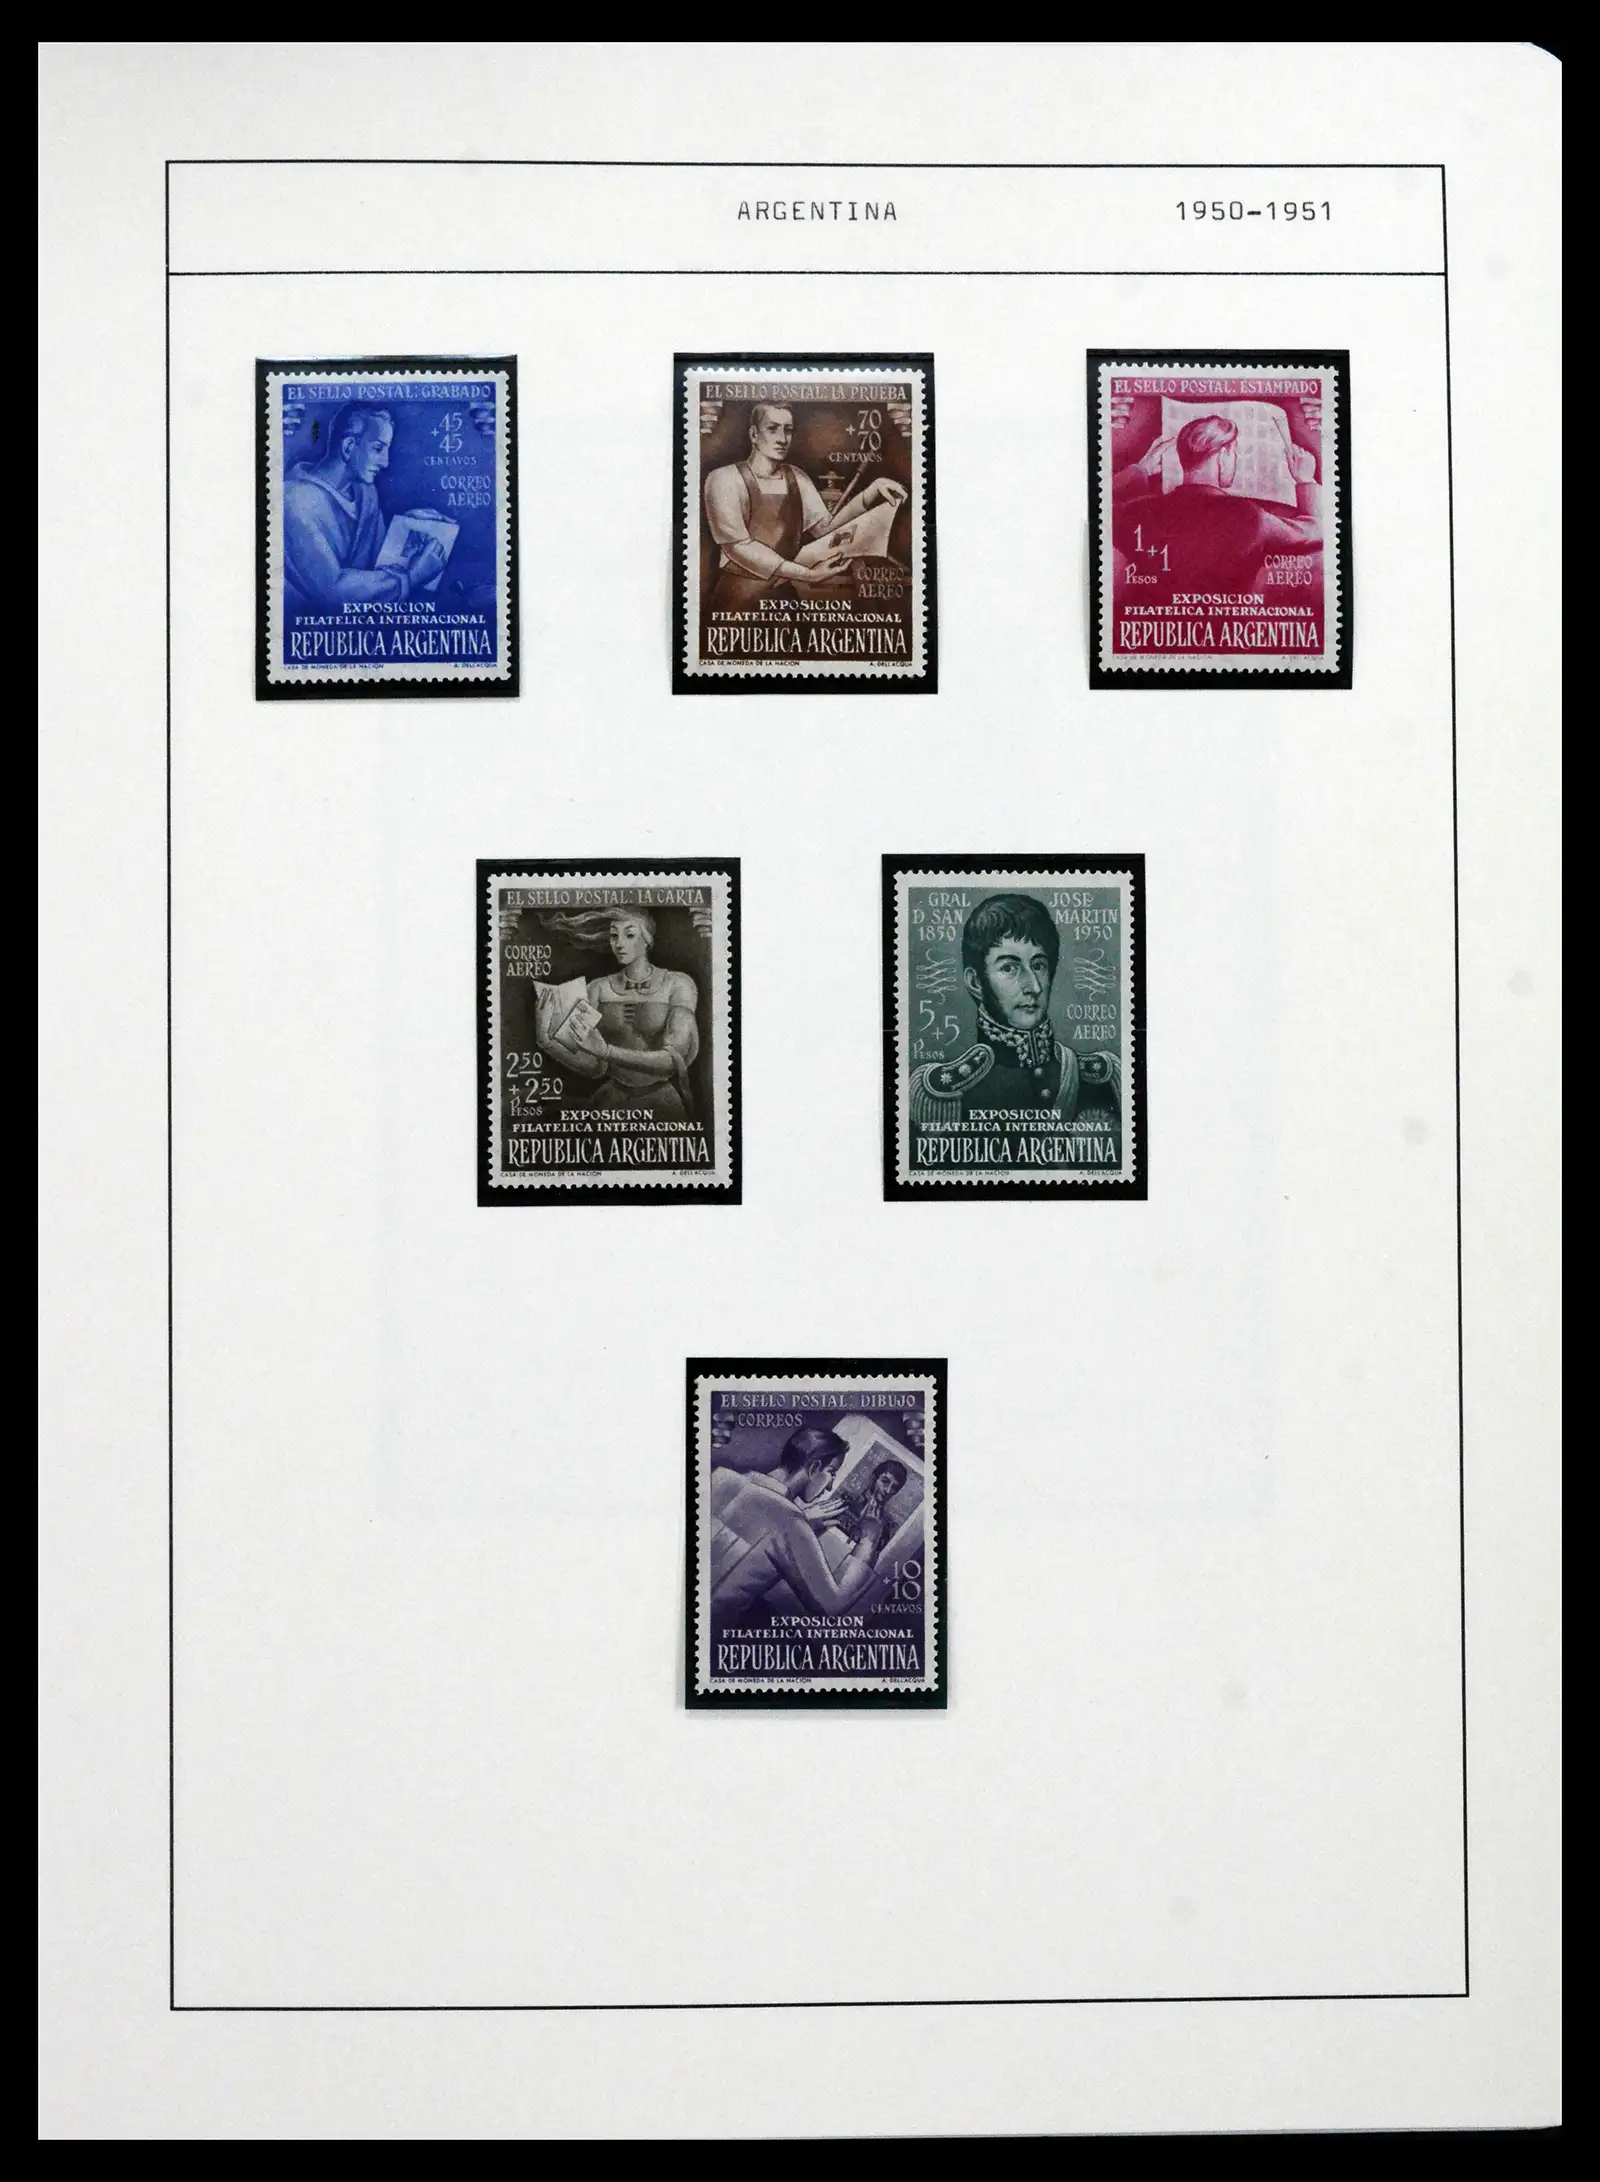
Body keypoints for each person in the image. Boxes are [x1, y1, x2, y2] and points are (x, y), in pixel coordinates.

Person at [910, 891, 1111, 1125]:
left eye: (1038, 965)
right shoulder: (943, 1093)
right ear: (975, 983)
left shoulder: (1096, 1078)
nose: (1034, 986)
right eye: (1009, 968)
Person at [702, 402, 909, 613]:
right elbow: (739, 547)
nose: (782, 439)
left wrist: (870, 493)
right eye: (772, 429)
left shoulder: (797, 477)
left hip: (783, 598)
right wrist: (807, 575)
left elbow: (827, 530)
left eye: (788, 430)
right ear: (754, 434)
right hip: (738, 601)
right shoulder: (724, 479)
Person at [1110, 410, 1322, 593]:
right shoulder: (1249, 516)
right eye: (1235, 453)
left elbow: (1101, 510)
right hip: (1229, 628)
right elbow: (1316, 531)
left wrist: (1141, 469)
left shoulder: (1140, 512)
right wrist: (1306, 479)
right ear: (1223, 454)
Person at [283, 402, 449, 613]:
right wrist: (412, 578)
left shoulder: (366, 492)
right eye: (378, 449)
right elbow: (333, 593)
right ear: (348, 446)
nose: (385, 462)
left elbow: (375, 564)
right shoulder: (293, 502)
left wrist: (407, 526)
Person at [710, 1425, 889, 1619]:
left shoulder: (721, 1477)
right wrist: (868, 1542)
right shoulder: (791, 1523)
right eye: (832, 1472)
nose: (830, 1486)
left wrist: (802, 1524)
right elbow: (832, 1604)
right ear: (814, 1468)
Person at [535, 907, 700, 1119]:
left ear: (647, 939)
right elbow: (596, 1068)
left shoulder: (678, 984)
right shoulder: (597, 989)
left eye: (629, 935)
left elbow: (673, 1059)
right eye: (614, 935)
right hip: (610, 1102)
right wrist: (547, 1042)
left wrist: (607, 1052)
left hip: (661, 1103)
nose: (619, 943)